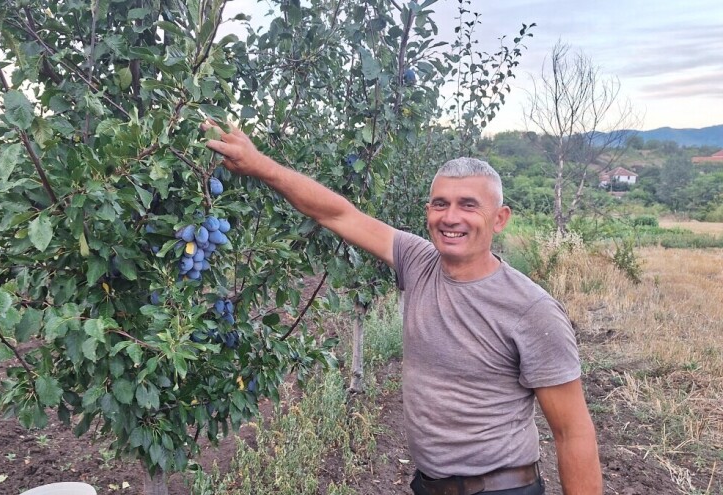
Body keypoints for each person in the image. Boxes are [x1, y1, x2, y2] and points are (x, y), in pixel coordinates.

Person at [201, 122, 602, 494]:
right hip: (429, 485)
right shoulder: (417, 260)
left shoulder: (531, 310)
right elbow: (336, 212)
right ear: (427, 212)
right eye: (440, 204)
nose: (451, 217)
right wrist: (260, 165)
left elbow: (573, 432)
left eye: (468, 205)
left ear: (500, 219)